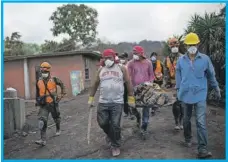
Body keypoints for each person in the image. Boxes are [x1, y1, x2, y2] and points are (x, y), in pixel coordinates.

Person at [176, 32, 221, 159]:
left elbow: (211, 75)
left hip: (200, 94)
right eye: (189, 44)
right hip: (185, 94)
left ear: (198, 44)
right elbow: (178, 76)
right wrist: (178, 90)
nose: (192, 46)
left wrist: (216, 88)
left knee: (200, 122)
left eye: (194, 44)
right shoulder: (181, 60)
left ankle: (202, 149)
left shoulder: (205, 59)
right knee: (186, 119)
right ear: (185, 46)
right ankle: (188, 137)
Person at [88, 49, 135, 157]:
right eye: (106, 58)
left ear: (114, 58)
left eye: (110, 58)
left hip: (117, 102)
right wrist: (91, 98)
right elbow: (95, 84)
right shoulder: (101, 70)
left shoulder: (122, 68)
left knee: (115, 125)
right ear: (103, 59)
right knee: (103, 123)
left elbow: (128, 82)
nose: (108, 60)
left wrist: (131, 98)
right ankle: (111, 135)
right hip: (103, 101)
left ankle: (115, 145)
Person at [35, 61, 66, 146]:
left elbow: (62, 85)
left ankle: (58, 128)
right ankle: (42, 140)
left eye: (45, 72)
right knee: (42, 121)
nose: (44, 73)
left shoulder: (54, 79)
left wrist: (62, 94)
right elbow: (37, 92)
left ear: (49, 71)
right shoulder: (39, 81)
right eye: (42, 72)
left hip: (53, 102)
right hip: (43, 104)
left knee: (56, 117)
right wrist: (37, 101)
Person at [127, 46, 155, 138]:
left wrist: (150, 83)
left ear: (141, 53)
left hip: (146, 90)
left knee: (146, 108)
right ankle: (138, 117)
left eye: (136, 53)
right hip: (134, 89)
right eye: (133, 53)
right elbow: (128, 76)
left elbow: (151, 75)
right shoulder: (131, 63)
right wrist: (130, 87)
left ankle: (144, 127)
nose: (134, 55)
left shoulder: (148, 63)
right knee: (132, 107)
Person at [119, 52, 134, 119]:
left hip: (130, 83)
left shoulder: (129, 65)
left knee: (131, 98)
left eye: (123, 58)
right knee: (124, 99)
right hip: (123, 84)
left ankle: (132, 113)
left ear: (126, 58)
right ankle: (126, 112)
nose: (121, 59)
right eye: (121, 58)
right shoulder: (119, 66)